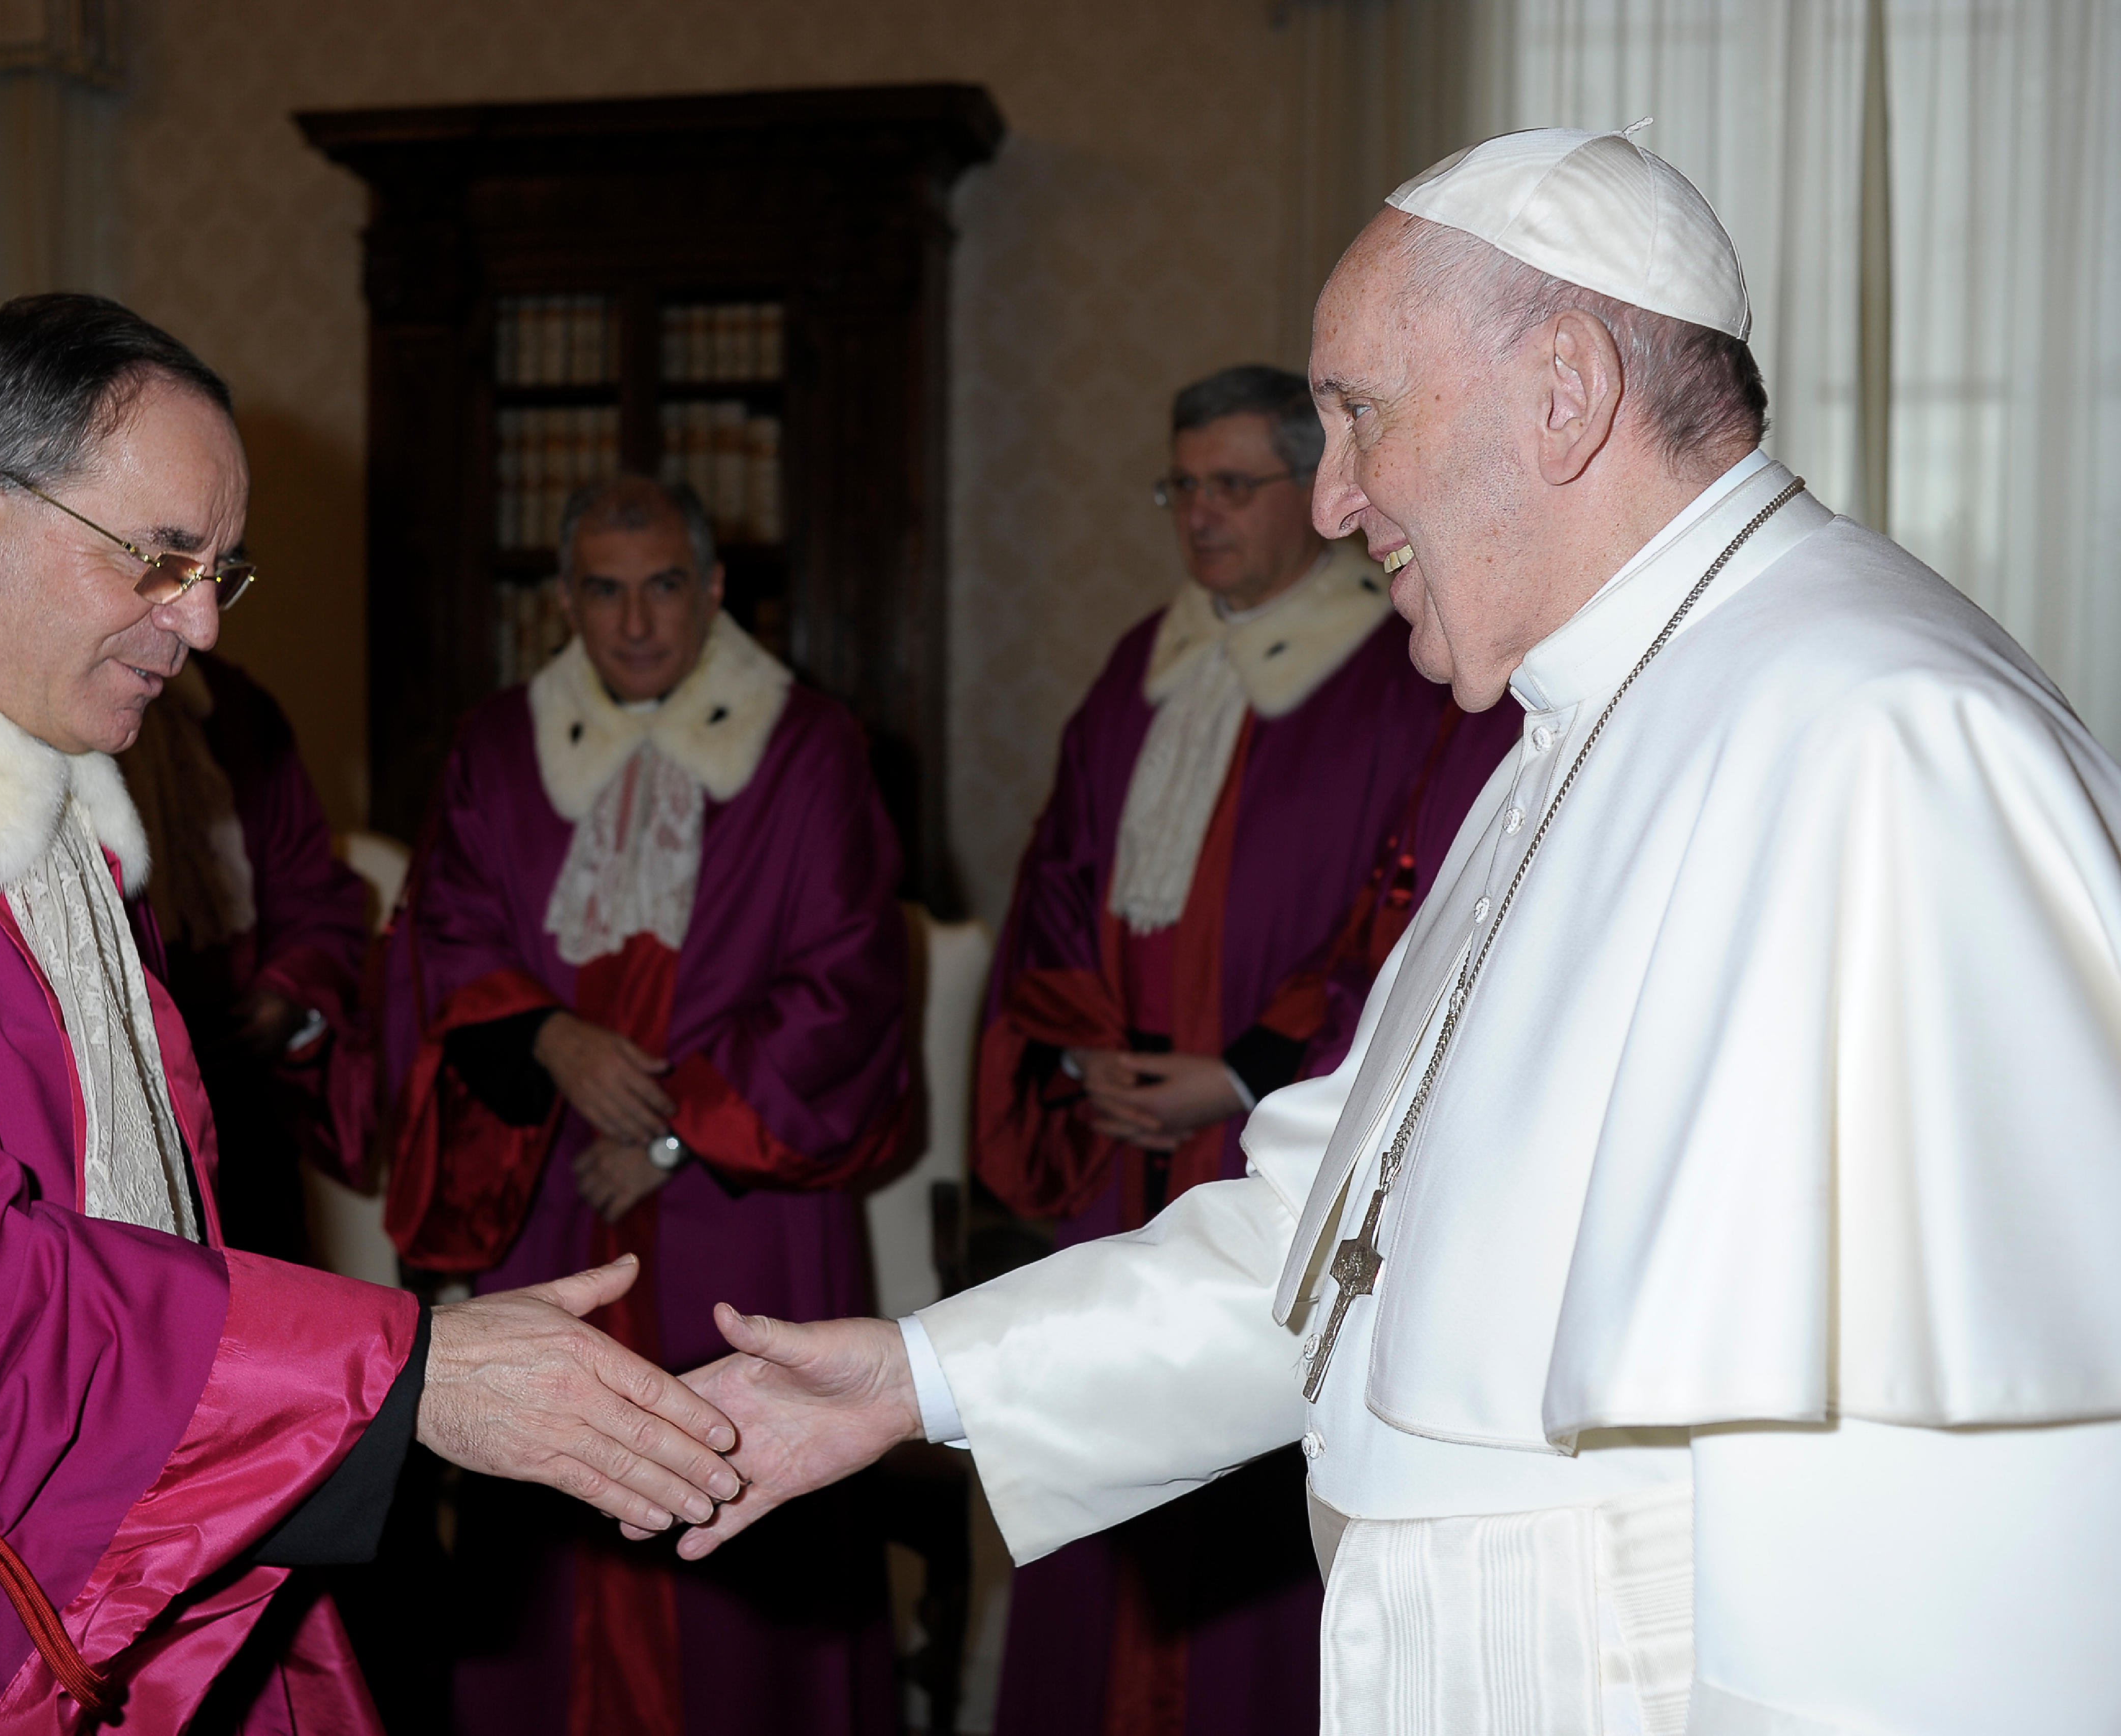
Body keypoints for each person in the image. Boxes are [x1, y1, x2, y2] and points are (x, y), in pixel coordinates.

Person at [644, 129, 2121, 1732]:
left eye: (1357, 412)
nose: (1334, 496)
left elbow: (1973, 1522)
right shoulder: (1569, 722)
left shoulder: (1877, 735)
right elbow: (1329, 1242)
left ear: (1559, 393)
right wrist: (923, 1377)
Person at [0, 294, 744, 1735]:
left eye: (223, 571)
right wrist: (406, 1374)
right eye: (161, 559)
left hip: (66, 1532)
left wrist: (391, 1374)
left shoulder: (41, 798)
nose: (203, 624)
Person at [975, 366, 1513, 1736]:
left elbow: (1411, 913)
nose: (1201, 516)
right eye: (1183, 487)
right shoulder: (1134, 672)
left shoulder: (1402, 674)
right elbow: (1056, 879)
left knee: (1246, 1553)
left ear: (1313, 499)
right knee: (1101, 1480)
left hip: (1278, 1151)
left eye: (1232, 486)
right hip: (1123, 1153)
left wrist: (1241, 1074)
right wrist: (1080, 1054)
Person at [375, 475, 912, 1736]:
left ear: (712, 588)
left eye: (662, 584)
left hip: (740, 1200)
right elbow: (438, 939)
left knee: (748, 1548)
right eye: (602, 590)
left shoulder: (806, 744)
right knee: (547, 1521)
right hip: (554, 1184)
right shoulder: (496, 744)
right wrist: (551, 1038)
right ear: (563, 600)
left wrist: (682, 1130)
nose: (632, 622)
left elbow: (847, 982)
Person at [116, 647, 374, 1262]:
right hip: (119, 1113)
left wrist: (288, 992)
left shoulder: (239, 713)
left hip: (242, 1102)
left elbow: (312, 895)